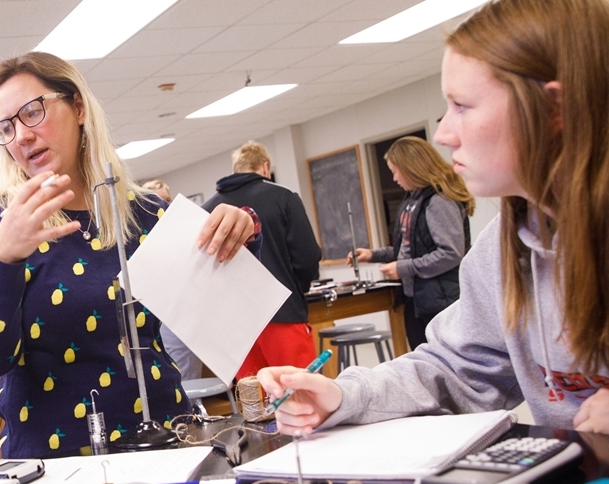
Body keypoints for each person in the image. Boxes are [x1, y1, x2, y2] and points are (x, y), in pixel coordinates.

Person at [261, 0, 609, 437]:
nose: (443, 134)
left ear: (553, 110)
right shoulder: (506, 244)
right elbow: (457, 367)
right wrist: (346, 397)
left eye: (463, 106)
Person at [0, 52, 259, 458]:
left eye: (32, 112)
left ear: (78, 106)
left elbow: (221, 299)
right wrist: (3, 258)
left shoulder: (143, 212)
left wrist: (240, 226)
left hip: (169, 445)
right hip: (58, 468)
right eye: (5, 128)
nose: (21, 136)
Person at [204, 141, 321, 379]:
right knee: (301, 397)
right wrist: (298, 291)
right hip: (282, 314)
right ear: (265, 167)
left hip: (235, 324)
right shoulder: (284, 197)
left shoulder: (209, 209)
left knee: (254, 405)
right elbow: (307, 256)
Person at [351, 137, 474, 349]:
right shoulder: (411, 201)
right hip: (417, 302)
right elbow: (411, 249)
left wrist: (403, 268)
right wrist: (373, 255)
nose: (394, 178)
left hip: (441, 304)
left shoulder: (438, 201)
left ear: (411, 168)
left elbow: (450, 253)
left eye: (396, 171)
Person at [142, 178, 205, 379]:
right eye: (159, 201)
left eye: (168, 200)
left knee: (191, 372)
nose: (166, 206)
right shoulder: (144, 239)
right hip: (165, 317)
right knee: (182, 376)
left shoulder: (180, 231)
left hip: (187, 313)